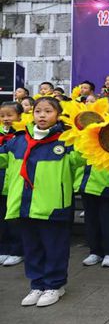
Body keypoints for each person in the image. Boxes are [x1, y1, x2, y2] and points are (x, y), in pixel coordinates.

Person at [0, 97, 85, 307]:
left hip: (52, 206)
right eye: (38, 111)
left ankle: (55, 285)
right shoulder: (18, 139)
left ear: (57, 115)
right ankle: (37, 284)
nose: (42, 115)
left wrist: (84, 134)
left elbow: (83, 158)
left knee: (54, 247)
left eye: (48, 111)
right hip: (24, 205)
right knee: (32, 248)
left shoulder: (65, 140)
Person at [75, 97, 109, 268]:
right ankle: (95, 251)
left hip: (107, 181)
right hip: (87, 181)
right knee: (91, 219)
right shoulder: (86, 128)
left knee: (107, 219)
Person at [0, 102, 24, 267]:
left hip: (15, 182)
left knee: (15, 219)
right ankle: (4, 248)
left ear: (20, 116)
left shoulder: (22, 136)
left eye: (10, 115)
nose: (6, 119)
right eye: (2, 116)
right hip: (1, 181)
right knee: (2, 218)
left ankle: (18, 250)